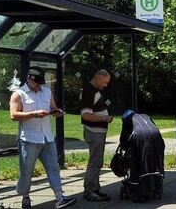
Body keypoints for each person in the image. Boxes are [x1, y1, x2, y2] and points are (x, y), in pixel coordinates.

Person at [9, 66, 77, 209]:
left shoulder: (46, 92)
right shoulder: (18, 94)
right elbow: (13, 115)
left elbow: (52, 108)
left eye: (40, 83)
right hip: (29, 139)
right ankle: (25, 197)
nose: (39, 86)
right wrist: (34, 114)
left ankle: (59, 197)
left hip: (47, 137)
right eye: (36, 83)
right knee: (27, 171)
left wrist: (56, 112)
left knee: (54, 167)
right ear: (28, 79)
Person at [80, 69, 113, 202]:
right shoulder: (89, 92)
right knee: (94, 162)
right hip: (94, 132)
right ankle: (90, 190)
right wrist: (104, 118)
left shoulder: (94, 91)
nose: (106, 85)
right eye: (105, 82)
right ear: (98, 78)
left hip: (97, 132)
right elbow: (86, 115)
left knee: (97, 161)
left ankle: (95, 188)